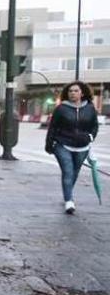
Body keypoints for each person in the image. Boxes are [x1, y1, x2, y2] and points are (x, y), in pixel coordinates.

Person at [44, 81, 99, 214]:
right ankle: (69, 201)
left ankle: (67, 193)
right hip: (63, 144)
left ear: (82, 93)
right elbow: (52, 128)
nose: (72, 93)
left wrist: (90, 137)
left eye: (76, 91)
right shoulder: (61, 108)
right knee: (68, 171)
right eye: (70, 91)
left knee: (75, 172)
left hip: (83, 147)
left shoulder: (90, 108)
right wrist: (49, 145)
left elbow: (94, 126)